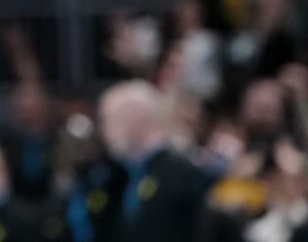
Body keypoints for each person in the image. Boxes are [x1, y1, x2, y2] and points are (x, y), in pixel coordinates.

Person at [93, 80, 218, 241]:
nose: (104, 132)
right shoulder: (117, 179)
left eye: (109, 120)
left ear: (137, 116)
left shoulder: (185, 175)